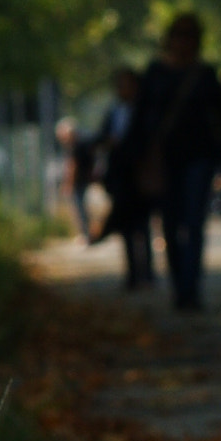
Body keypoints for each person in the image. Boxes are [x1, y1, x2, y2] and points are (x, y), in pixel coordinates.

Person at [135, 13, 221, 311]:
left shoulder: (205, 75)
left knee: (194, 222)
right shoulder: (154, 73)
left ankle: (191, 287)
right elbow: (140, 118)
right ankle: (179, 284)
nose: (184, 41)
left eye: (189, 35)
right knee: (171, 223)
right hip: (164, 159)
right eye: (179, 34)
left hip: (199, 158)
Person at [95, 67, 154, 288]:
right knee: (127, 226)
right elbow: (101, 136)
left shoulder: (145, 111)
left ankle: (147, 272)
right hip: (121, 175)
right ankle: (132, 273)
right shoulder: (113, 112)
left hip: (140, 173)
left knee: (142, 224)